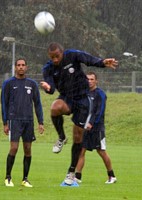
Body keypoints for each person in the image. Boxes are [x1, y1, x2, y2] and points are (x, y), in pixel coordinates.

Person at [40, 42, 118, 185]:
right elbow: (51, 89)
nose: (55, 60)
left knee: (78, 139)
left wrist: (102, 62)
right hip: (67, 97)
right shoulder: (48, 68)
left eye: (57, 56)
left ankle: (71, 172)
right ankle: (61, 137)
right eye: (52, 57)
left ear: (62, 53)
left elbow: (88, 59)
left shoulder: (72, 55)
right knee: (55, 108)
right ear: (49, 56)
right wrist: (47, 87)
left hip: (83, 99)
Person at [1, 58, 45, 188]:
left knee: (28, 149)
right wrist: (5, 122)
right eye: (18, 65)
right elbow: (4, 103)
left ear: (26, 67)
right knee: (14, 148)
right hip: (14, 120)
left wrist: (40, 121)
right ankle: (8, 177)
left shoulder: (32, 84)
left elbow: (37, 104)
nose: (21, 67)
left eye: (23, 65)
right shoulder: (8, 83)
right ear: (15, 67)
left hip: (28, 121)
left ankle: (25, 179)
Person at [74, 71, 117, 184]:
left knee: (101, 151)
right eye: (87, 79)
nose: (89, 81)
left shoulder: (100, 94)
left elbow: (100, 111)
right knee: (81, 151)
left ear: (96, 81)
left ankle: (112, 176)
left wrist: (92, 123)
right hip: (85, 128)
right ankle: (77, 177)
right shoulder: (84, 94)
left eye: (92, 79)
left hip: (97, 128)